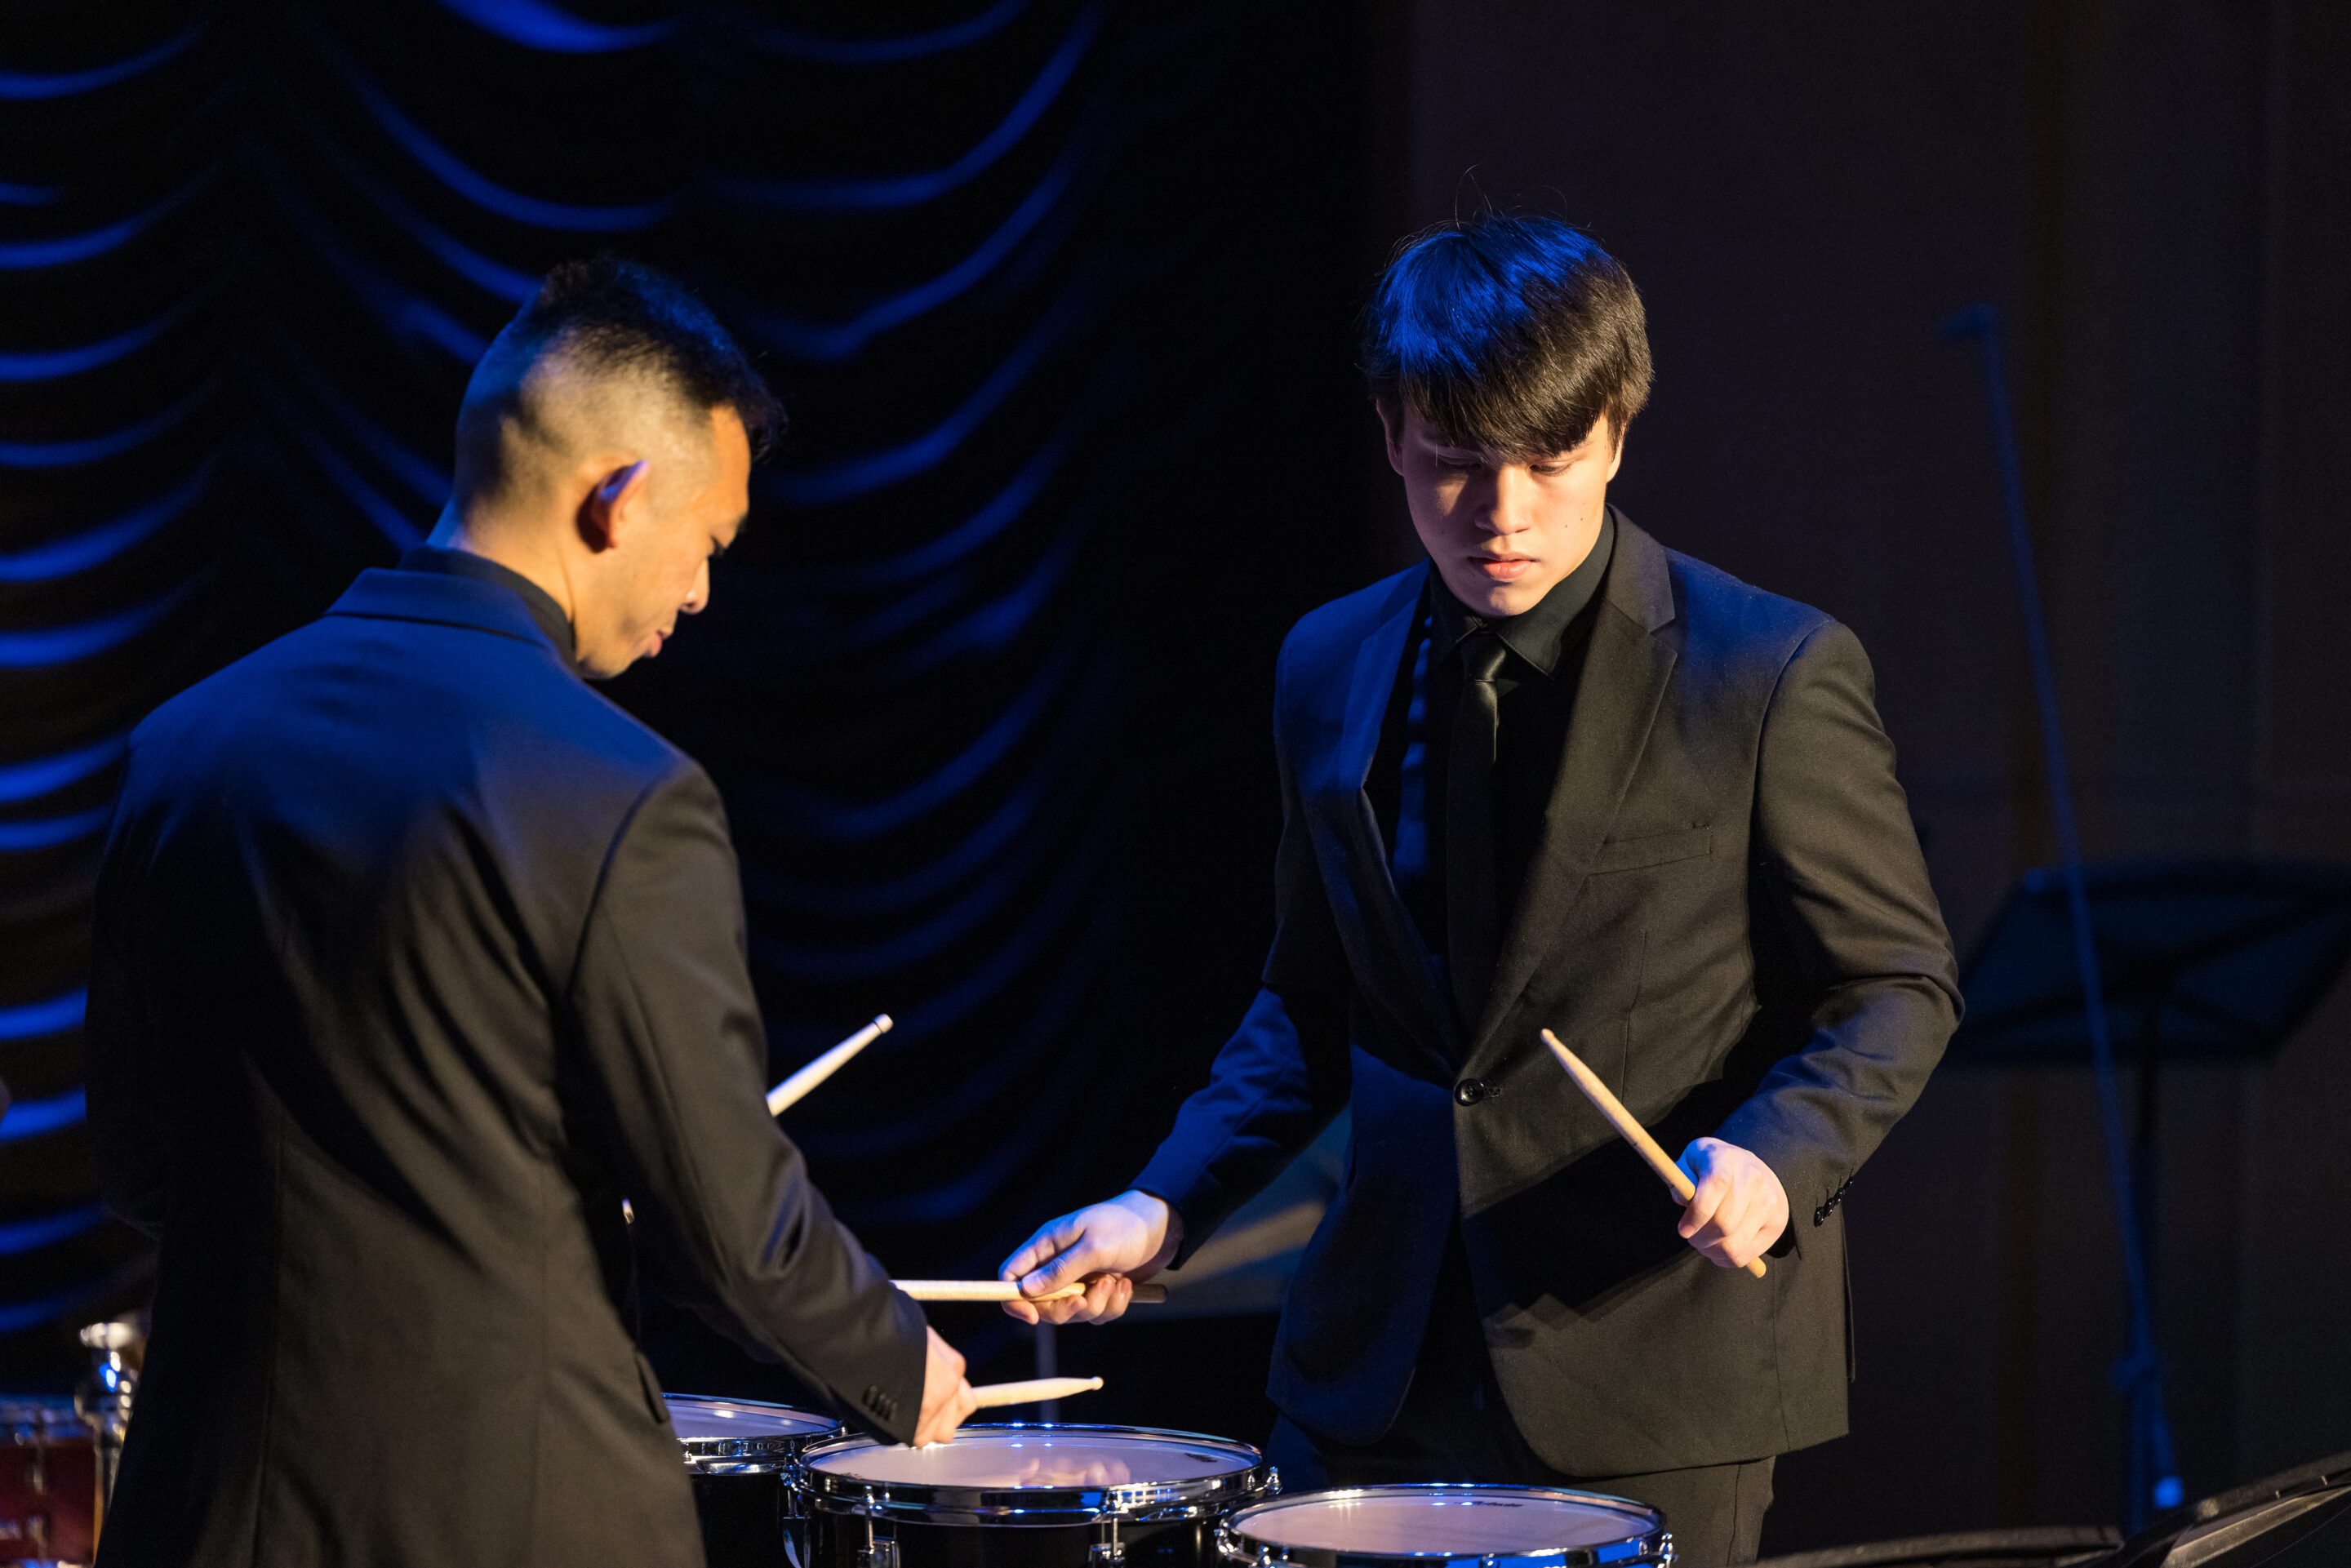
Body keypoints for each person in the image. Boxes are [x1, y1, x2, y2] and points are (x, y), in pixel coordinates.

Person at [997, 215, 1959, 1566]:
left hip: (1648, 1365)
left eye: (1550, 464)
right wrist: (1163, 1206)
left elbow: (1896, 987)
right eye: (1453, 466)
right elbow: (1310, 1002)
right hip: (1372, 1372)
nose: (1501, 515)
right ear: (1392, 433)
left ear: (1617, 433)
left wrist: (1775, 1158)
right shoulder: (1326, 662)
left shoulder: (1768, 672)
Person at [84, 257, 978, 1568]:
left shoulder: (180, 749)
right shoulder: (621, 793)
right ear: (616, 500)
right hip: (515, 1517)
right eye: (710, 544)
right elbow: (731, 1231)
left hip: (211, 1514)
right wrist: (901, 1358)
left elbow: (137, 1162)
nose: (703, 594)